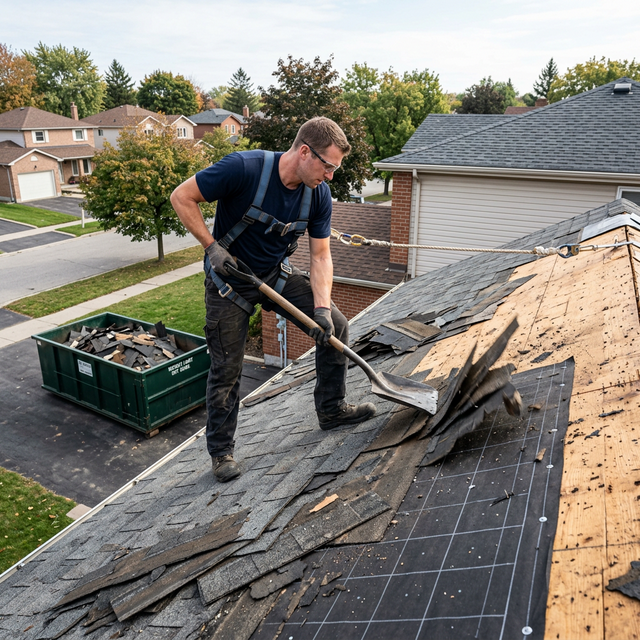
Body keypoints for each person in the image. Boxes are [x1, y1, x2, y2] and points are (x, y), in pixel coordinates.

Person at [170, 117, 376, 483]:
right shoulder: (244, 169)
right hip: (229, 279)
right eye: (327, 166)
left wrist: (322, 308)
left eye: (335, 169)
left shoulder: (318, 195)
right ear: (304, 151)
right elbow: (181, 196)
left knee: (337, 328)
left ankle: (332, 410)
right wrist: (211, 247)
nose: (330, 176)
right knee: (227, 368)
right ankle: (221, 451)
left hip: (273, 276)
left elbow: (320, 257)